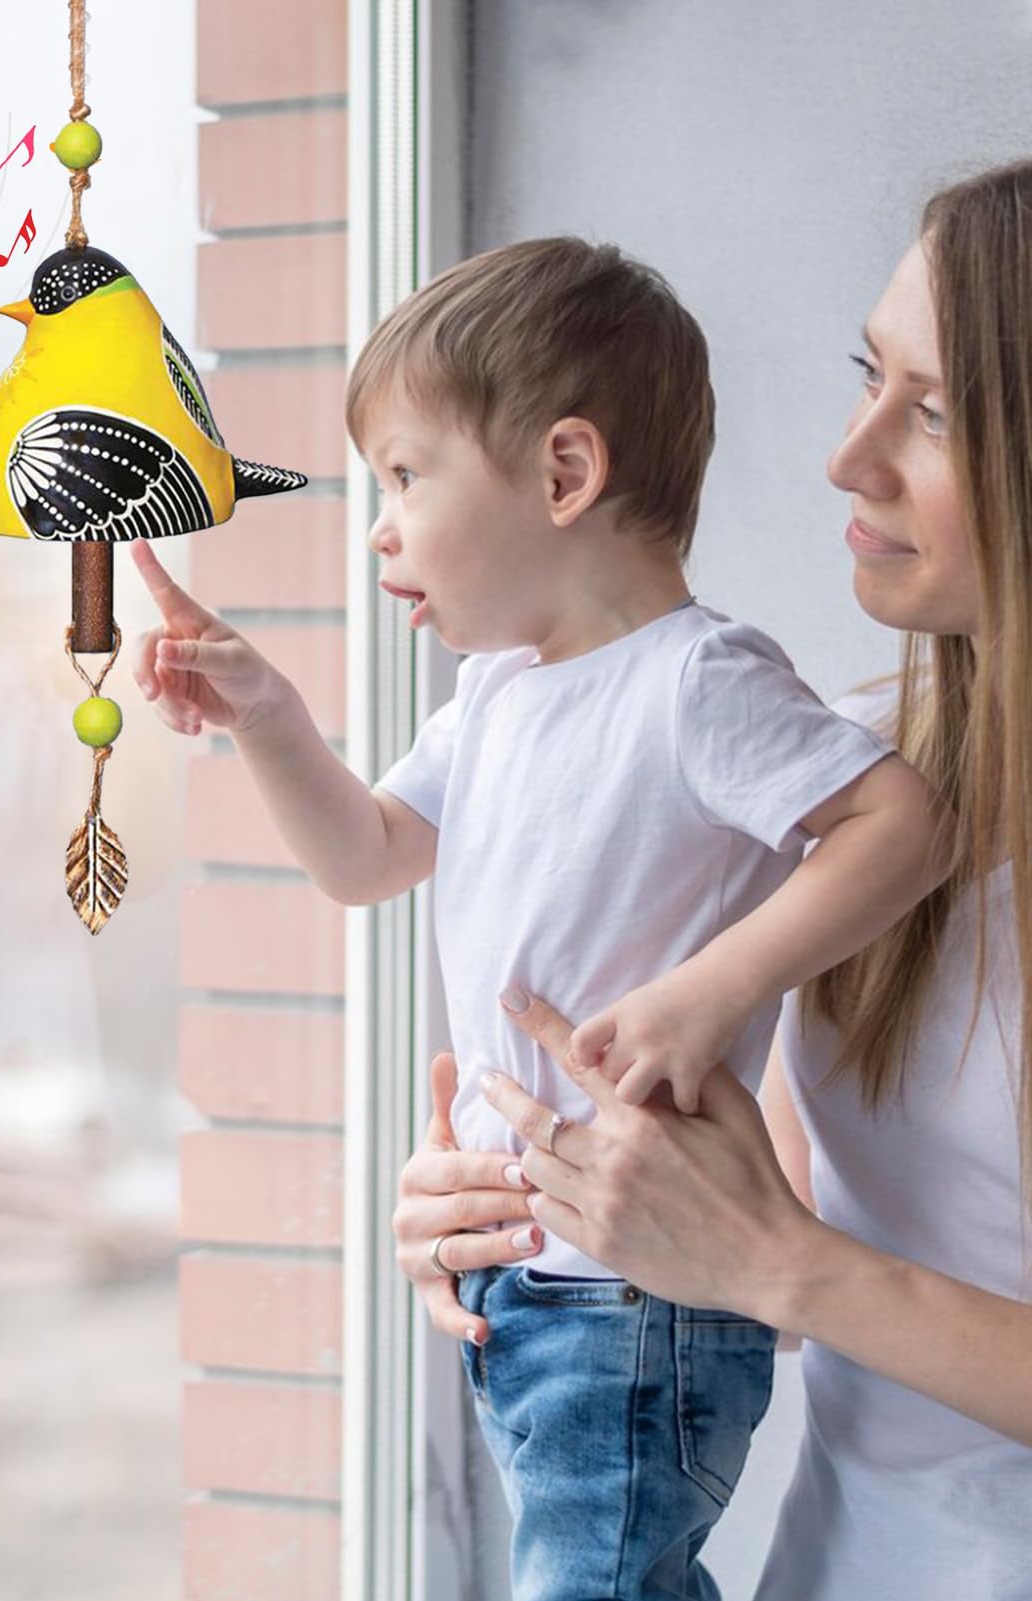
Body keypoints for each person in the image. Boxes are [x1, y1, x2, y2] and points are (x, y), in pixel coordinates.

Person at [131, 236, 950, 1599]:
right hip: (533, 1277)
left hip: (633, 1295)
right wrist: (269, 717)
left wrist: (707, 992)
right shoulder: (498, 696)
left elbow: (898, 826)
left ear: (564, 474)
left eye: (404, 475)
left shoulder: (700, 681)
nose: (380, 524)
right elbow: (365, 854)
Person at [395, 161, 1032, 1601]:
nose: (846, 455)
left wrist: (778, 1264)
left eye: (928, 410)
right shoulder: (857, 796)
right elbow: (794, 1221)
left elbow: (788, 1258)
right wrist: (549, 1211)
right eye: (866, 377)